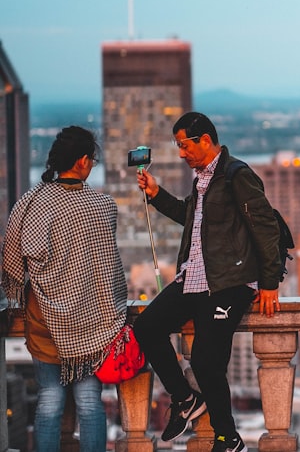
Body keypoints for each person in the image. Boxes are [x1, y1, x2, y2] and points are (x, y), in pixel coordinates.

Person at [133, 112, 282, 452]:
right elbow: (190, 218)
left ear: (204, 140)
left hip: (229, 281)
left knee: (204, 361)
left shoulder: (236, 175)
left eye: (184, 145)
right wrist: (156, 194)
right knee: (147, 328)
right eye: (178, 146)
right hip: (194, 276)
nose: (181, 153)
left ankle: (227, 438)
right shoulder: (202, 179)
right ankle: (185, 399)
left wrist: (269, 283)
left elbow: (265, 227)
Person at [2, 126, 127, 452]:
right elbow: (108, 270)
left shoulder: (30, 203)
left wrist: (21, 290)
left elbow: (13, 260)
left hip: (43, 318)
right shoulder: (102, 207)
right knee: (89, 402)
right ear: (84, 161)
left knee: (48, 400)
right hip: (90, 323)